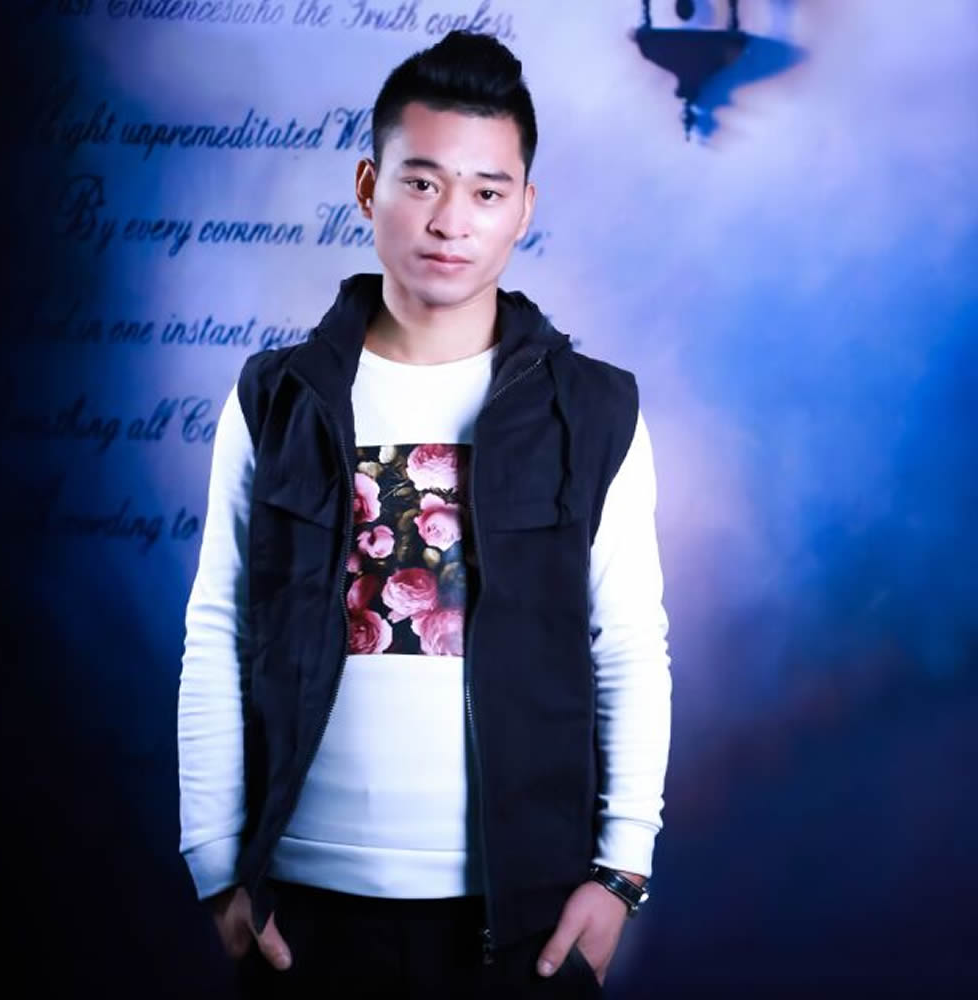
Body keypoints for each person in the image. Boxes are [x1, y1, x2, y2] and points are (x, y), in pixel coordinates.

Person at [177, 29, 671, 999]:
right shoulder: (277, 396)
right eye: (421, 182)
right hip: (301, 907)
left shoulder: (595, 409)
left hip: (521, 912)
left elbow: (628, 646)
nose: (451, 221)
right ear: (368, 188)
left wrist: (622, 870)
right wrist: (214, 865)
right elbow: (218, 626)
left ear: (523, 209)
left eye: (487, 192)